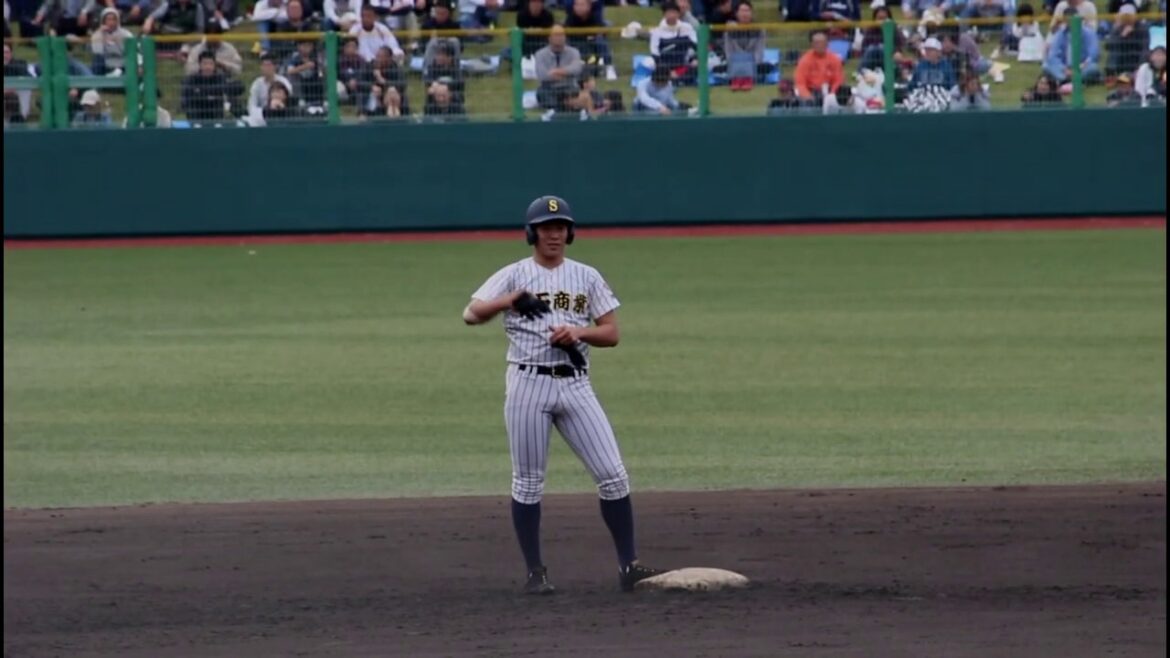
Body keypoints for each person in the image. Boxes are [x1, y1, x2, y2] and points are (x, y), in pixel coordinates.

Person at [462, 195, 663, 595]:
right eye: (546, 227)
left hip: (575, 384)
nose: (553, 234)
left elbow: (612, 333)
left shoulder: (586, 276)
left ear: (569, 232)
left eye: (560, 227)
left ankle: (629, 566)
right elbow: (470, 314)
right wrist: (511, 300)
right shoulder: (514, 274)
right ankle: (535, 573)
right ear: (531, 233)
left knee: (613, 475)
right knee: (528, 482)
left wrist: (579, 332)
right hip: (526, 385)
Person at [722, 0, 773, 91]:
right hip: (735, 62)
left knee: (766, 67)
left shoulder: (759, 30)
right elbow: (728, 51)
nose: (745, 14)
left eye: (747, 11)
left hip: (753, 62)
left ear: (752, 13)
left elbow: (759, 51)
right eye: (742, 11)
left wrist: (751, 62)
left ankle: (748, 79)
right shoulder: (729, 30)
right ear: (736, 14)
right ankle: (736, 80)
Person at [180, 50, 244, 120]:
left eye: (211, 64)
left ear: (214, 65)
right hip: (197, 114)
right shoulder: (191, 80)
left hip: (216, 113)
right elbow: (185, 101)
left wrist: (206, 92)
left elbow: (238, 87)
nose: (208, 67)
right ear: (200, 65)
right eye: (205, 64)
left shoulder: (221, 78)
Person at [1044, 12, 1102, 86]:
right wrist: (1064, 69)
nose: (1070, 22)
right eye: (1068, 20)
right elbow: (1052, 56)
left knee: (1093, 68)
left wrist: (1080, 67)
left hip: (1082, 67)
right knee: (1046, 66)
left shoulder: (1089, 33)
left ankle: (1064, 80)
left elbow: (1093, 54)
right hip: (1064, 68)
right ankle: (1068, 80)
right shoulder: (1060, 34)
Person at [534, 24, 583, 111]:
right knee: (542, 93)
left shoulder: (574, 52)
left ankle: (566, 107)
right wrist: (567, 73)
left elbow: (577, 69)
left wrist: (556, 71)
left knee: (577, 93)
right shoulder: (540, 54)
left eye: (561, 35)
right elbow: (542, 75)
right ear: (549, 38)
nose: (559, 38)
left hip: (569, 86)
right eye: (556, 35)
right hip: (549, 88)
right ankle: (557, 109)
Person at [564, 0, 615, 81]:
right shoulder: (570, 18)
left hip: (591, 43)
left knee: (600, 41)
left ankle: (609, 67)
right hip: (576, 43)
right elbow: (567, 34)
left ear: (589, 7)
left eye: (582, 5)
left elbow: (600, 32)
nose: (579, 8)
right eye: (576, 5)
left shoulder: (594, 17)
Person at [650, 0, 697, 76]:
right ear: (664, 14)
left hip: (683, 62)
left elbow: (696, 45)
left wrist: (695, 59)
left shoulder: (687, 27)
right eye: (669, 13)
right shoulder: (657, 31)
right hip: (664, 63)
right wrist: (667, 70)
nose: (672, 15)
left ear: (678, 14)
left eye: (674, 12)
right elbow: (654, 52)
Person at [793, 31, 843, 101]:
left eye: (823, 42)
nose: (820, 45)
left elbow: (838, 80)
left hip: (830, 91)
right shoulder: (804, 60)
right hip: (811, 92)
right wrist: (808, 97)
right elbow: (800, 84)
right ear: (812, 44)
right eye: (817, 43)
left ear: (827, 43)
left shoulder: (835, 59)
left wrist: (832, 94)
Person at [1104, 4, 1148, 77]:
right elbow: (1108, 46)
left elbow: (1145, 48)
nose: (1127, 19)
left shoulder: (1142, 29)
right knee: (1114, 50)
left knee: (1145, 54)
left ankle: (1136, 73)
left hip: (1135, 59)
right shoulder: (1118, 28)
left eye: (1129, 16)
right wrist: (1122, 36)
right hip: (1121, 59)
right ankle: (1111, 75)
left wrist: (1140, 67)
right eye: (1125, 16)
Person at [247, 53, 293, 122]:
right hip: (263, 117)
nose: (266, 68)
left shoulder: (284, 82)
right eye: (263, 65)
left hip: (282, 114)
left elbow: (290, 102)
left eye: (269, 65)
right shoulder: (256, 84)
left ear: (275, 66)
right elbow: (251, 105)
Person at [90, 7, 132, 75]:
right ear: (103, 21)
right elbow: (97, 51)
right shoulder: (98, 34)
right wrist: (100, 33)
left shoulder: (125, 34)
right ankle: (95, 84)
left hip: (122, 63)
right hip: (105, 64)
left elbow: (128, 51)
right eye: (108, 19)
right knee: (97, 59)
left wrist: (116, 41)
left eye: (113, 19)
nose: (111, 22)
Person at [282, 38, 324, 105]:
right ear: (298, 46)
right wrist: (305, 66)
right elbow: (289, 71)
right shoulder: (294, 56)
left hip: (314, 85)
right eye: (304, 45)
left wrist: (320, 66)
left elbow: (323, 70)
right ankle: (301, 101)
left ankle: (320, 102)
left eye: (309, 45)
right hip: (299, 85)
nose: (307, 48)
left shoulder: (316, 56)